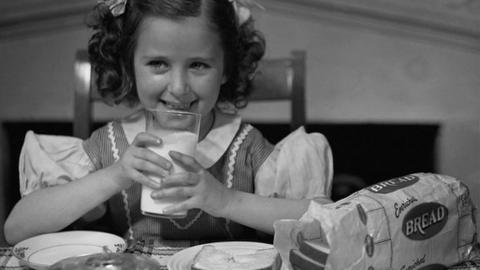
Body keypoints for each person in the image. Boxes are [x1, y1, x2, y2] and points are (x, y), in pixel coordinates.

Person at [4, 0, 333, 245]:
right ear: (130, 66)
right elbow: (16, 229)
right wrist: (114, 176)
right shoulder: (112, 146)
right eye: (158, 63)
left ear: (227, 69)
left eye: (199, 65)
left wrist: (227, 201)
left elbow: (323, 222)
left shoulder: (244, 146)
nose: (178, 88)